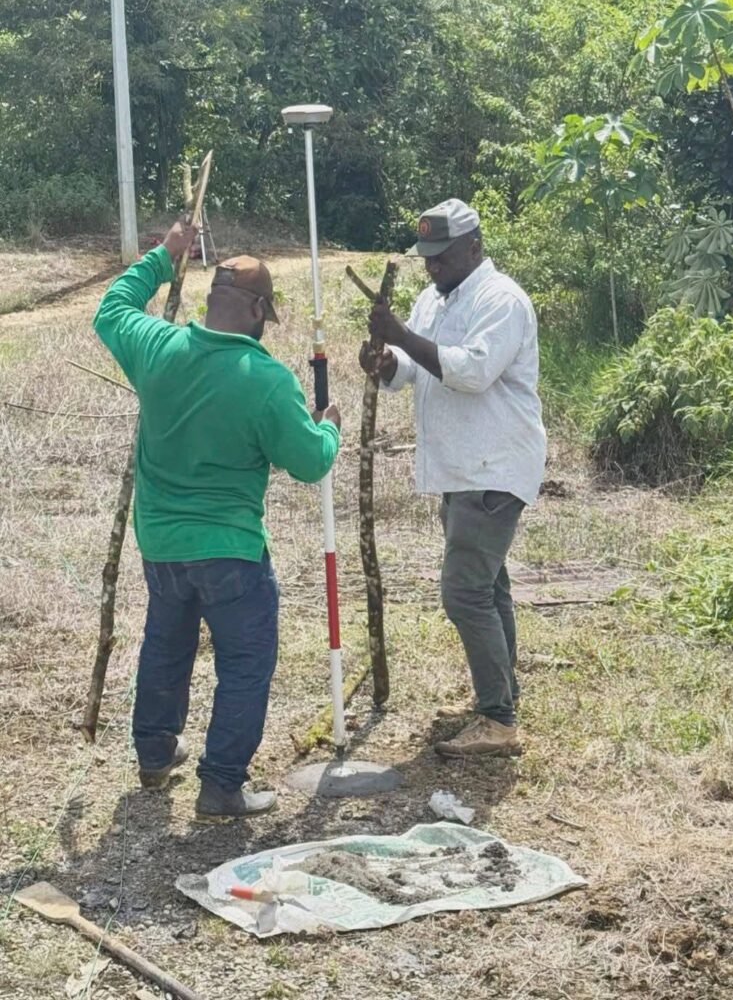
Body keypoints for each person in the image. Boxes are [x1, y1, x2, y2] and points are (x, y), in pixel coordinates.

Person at [94, 219, 341, 819]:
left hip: (161, 543)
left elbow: (110, 309)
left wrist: (163, 254)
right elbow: (310, 462)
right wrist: (330, 424)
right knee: (246, 662)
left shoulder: (157, 347)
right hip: (230, 549)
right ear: (259, 311)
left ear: (209, 303)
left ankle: (154, 755)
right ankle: (221, 785)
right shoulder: (267, 381)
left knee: (166, 644)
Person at [361, 198, 545, 758]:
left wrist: (401, 336)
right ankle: (501, 694)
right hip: (461, 468)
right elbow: (416, 365)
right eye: (426, 258)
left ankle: (498, 719)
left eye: (442, 257)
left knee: (463, 592)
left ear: (474, 247)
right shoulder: (432, 299)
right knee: (487, 586)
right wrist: (388, 362)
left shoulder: (502, 300)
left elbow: (470, 371)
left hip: (492, 465)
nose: (431, 266)